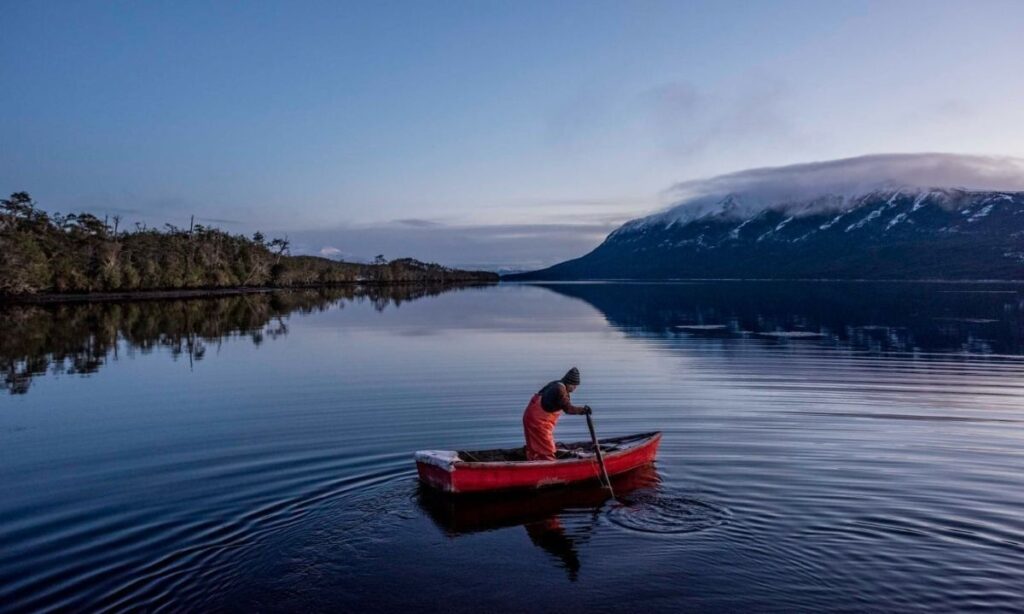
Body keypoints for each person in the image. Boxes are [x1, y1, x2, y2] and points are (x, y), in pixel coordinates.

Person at [522, 367, 591, 461]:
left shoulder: (555, 384)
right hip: (538, 421)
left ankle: (533, 460)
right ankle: (547, 465)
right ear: (569, 382)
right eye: (574, 385)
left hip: (530, 416)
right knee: (547, 447)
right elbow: (568, 409)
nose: (575, 388)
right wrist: (583, 410)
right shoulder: (560, 390)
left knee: (534, 445)